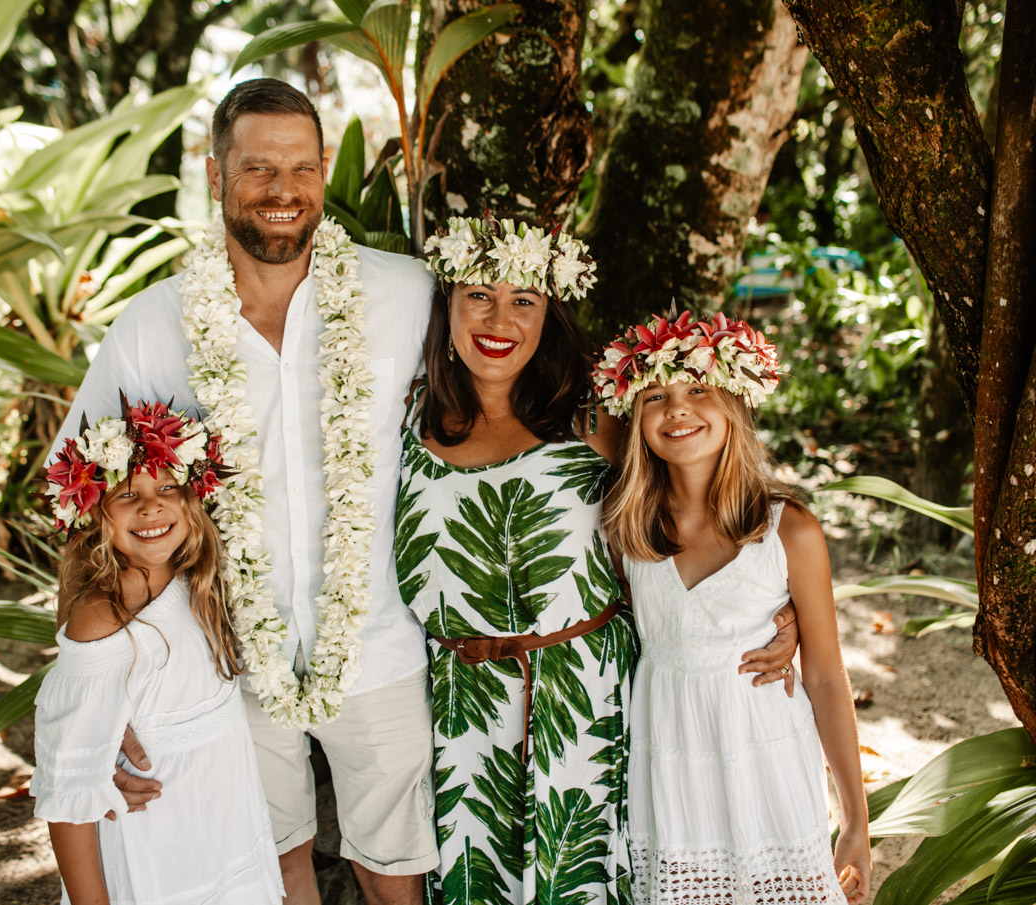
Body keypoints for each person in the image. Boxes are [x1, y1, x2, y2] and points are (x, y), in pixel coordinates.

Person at [51, 78, 437, 905]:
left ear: (324, 170)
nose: (282, 190)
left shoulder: (405, 296)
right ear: (215, 171)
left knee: (394, 867)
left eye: (300, 167)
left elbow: (515, 406)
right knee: (273, 864)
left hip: (380, 642)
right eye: (258, 167)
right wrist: (102, 692)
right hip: (225, 657)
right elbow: (79, 503)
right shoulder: (151, 326)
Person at [396, 219, 797, 905]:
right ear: (448, 305)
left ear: (550, 312)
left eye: (524, 299)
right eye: (478, 295)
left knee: (577, 878)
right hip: (459, 707)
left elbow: (701, 507)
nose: (499, 320)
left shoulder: (590, 418)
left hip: (582, 698)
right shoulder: (407, 413)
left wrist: (775, 606)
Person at [596, 312, 872, 903]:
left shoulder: (787, 530)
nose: (677, 409)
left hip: (762, 752)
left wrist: (855, 820)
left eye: (698, 388)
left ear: (736, 403)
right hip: (667, 755)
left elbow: (826, 674)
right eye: (654, 396)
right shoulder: (630, 526)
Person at [32, 400, 284, 905]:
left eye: (168, 487)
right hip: (155, 849)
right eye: (127, 495)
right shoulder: (104, 618)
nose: (150, 507)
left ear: (195, 499)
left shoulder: (199, 580)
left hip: (224, 826)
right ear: (94, 511)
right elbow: (68, 790)